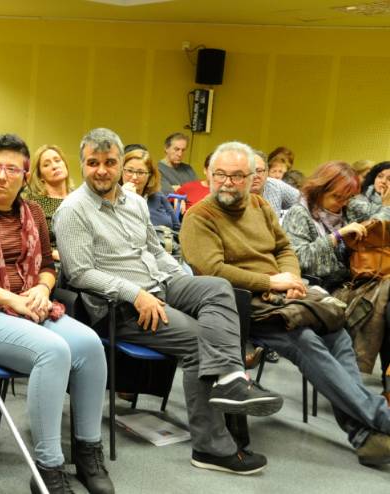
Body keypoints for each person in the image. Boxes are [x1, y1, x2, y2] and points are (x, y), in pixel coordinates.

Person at [54, 128, 283, 476]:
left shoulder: (134, 202)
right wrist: (135, 294)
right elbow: (80, 273)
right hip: (118, 304)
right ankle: (211, 448)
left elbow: (154, 250)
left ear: (120, 164)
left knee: (218, 288)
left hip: (160, 284)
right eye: (93, 163)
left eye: (110, 162)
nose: (101, 170)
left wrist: (181, 278)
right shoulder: (73, 209)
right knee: (200, 340)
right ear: (82, 164)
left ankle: (231, 379)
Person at [181, 141, 390, 467]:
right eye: (220, 174)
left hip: (283, 297)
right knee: (306, 340)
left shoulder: (260, 206)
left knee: (338, 335)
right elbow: (212, 270)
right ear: (208, 175)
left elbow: (284, 249)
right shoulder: (199, 216)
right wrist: (271, 282)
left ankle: (364, 435)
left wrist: (290, 277)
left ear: (252, 178)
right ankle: (380, 419)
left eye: (237, 176)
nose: (227, 182)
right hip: (239, 306)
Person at [0, 134, 114, 494]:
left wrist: (42, 289)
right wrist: (12, 299)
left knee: (90, 344)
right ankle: (47, 466)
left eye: (12, 169)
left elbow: (47, 265)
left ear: (25, 175)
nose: (2, 176)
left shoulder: (32, 212)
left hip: (31, 306)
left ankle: (87, 451)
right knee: (54, 351)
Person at [281, 162, 390, 397]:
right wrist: (337, 236)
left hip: (353, 283)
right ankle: (378, 387)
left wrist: (386, 204)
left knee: (388, 301)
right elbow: (299, 259)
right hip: (321, 288)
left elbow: (380, 223)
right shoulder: (299, 213)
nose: (341, 203)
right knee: (386, 299)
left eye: (347, 198)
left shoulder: (348, 208)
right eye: (336, 197)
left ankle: (383, 384)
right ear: (319, 189)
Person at [24, 144, 74, 261]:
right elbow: (27, 241)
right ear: (40, 176)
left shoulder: (79, 197)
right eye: (46, 164)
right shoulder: (33, 203)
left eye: (57, 160)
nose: (55, 166)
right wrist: (53, 253)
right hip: (51, 262)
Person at [121, 148, 179, 230]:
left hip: (166, 237)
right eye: (129, 171)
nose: (134, 177)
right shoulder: (112, 197)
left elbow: (177, 227)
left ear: (150, 175)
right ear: (121, 171)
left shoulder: (157, 196)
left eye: (140, 172)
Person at [250, 150, 299, 219]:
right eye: (251, 171)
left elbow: (304, 201)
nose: (255, 176)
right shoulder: (237, 191)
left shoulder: (276, 186)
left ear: (267, 172)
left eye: (259, 171)